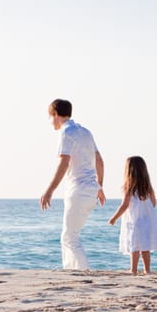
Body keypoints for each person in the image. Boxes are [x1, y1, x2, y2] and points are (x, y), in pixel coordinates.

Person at [40, 98, 106, 270]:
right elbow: (99, 160)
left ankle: (83, 272)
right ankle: (72, 271)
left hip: (78, 190)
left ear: (55, 115)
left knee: (69, 237)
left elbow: (63, 163)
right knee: (70, 235)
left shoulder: (66, 132)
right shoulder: (86, 132)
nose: (50, 121)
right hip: (90, 190)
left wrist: (49, 191)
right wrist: (100, 187)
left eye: (49, 117)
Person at [109, 156, 157, 275]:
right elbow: (154, 203)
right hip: (147, 221)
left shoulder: (129, 188)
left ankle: (133, 270)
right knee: (145, 247)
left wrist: (114, 218)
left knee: (134, 246)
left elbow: (124, 206)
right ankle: (147, 270)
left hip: (134, 221)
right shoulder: (148, 187)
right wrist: (146, 210)